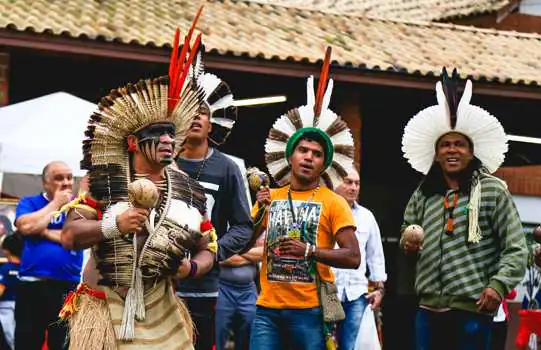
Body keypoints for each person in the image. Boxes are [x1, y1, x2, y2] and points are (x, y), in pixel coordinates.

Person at [58, 22, 217, 349]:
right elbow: (69, 236)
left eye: (171, 134)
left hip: (162, 310)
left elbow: (208, 248)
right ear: (132, 142)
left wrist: (191, 267)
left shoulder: (187, 191)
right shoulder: (105, 183)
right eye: (156, 135)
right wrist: (113, 225)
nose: (167, 141)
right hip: (104, 305)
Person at [400, 68, 528, 350]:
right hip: (428, 308)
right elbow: (407, 228)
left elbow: (517, 247)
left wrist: (498, 285)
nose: (452, 150)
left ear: (472, 152)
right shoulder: (425, 192)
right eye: (445, 145)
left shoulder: (493, 190)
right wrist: (407, 241)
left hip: (473, 308)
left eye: (460, 144)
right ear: (436, 154)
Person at [249, 47, 361, 350]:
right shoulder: (269, 196)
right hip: (266, 310)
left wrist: (309, 249)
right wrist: (259, 210)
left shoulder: (334, 202)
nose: (309, 158)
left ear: (324, 163)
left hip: (310, 312)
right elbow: (246, 242)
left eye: (317, 154)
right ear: (291, 154)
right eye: (303, 150)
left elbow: (353, 257)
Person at [175, 46, 254, 350]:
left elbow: (243, 226)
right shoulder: (161, 162)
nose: (196, 117)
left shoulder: (227, 168)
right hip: (159, 284)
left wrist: (213, 252)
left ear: (212, 122)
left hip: (205, 288)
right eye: (190, 111)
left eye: (203, 112)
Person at [14, 160, 82, 350]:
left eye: (69, 177)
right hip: (31, 284)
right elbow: (25, 226)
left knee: (62, 343)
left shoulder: (79, 207)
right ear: (45, 183)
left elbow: (74, 238)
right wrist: (56, 204)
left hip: (67, 287)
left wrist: (41, 230)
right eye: (59, 178)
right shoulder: (30, 202)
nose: (66, 182)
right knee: (26, 341)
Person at [333, 167, 387, 350]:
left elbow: (376, 255)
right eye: (348, 182)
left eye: (357, 183)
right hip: (326, 292)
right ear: (335, 183)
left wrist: (379, 289)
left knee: (351, 347)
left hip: (357, 293)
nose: (354, 187)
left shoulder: (366, 216)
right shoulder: (324, 211)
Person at [0, 233, 23, 350]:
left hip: (5, 308)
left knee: (9, 339)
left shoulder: (5, 268)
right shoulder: (26, 268)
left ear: (6, 250)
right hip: (23, 307)